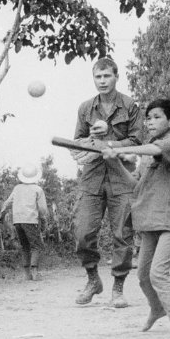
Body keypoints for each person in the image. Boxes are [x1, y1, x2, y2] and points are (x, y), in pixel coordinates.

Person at [102, 98, 170, 339]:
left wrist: (120, 148)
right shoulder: (146, 156)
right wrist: (114, 161)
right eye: (148, 118)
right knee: (144, 275)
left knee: (159, 273)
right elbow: (134, 184)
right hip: (148, 219)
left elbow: (155, 149)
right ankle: (158, 308)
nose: (150, 121)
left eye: (156, 117)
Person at [71, 57, 143, 307]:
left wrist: (109, 142)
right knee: (83, 232)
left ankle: (118, 287)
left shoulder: (130, 105)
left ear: (116, 76)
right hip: (92, 176)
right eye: (98, 77)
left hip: (121, 176)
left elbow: (137, 142)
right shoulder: (85, 108)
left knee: (122, 233)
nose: (102, 81)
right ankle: (92, 279)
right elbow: (77, 143)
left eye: (107, 76)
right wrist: (90, 139)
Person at [0, 164, 48, 281]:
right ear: (36, 177)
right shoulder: (38, 189)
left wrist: (2, 215)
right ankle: (34, 272)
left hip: (18, 221)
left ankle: (26, 274)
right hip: (30, 220)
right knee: (36, 246)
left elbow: (7, 203)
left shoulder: (17, 188)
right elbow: (42, 209)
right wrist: (43, 220)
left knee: (25, 246)